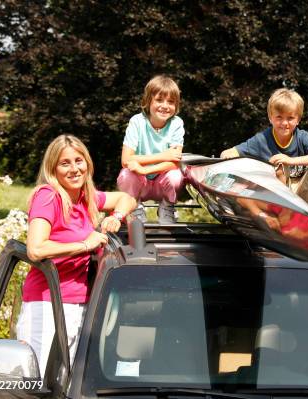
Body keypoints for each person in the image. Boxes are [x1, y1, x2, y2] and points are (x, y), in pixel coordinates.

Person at [19, 134, 136, 377]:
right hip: (47, 303)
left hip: (80, 304)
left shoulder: (86, 198)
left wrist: (116, 217)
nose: (74, 169)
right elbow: (36, 249)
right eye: (65, 163)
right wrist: (85, 244)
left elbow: (127, 198)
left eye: (79, 160)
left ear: (88, 163)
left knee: (68, 383)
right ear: (53, 169)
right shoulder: (48, 196)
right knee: (42, 382)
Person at [220, 88, 308, 210]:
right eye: (279, 117)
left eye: (290, 118)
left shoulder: (302, 137)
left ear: (298, 120)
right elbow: (229, 152)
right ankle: (280, 212)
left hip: (301, 193)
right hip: (274, 196)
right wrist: (226, 157)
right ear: (270, 118)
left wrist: (290, 160)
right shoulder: (261, 139)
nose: (284, 123)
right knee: (279, 167)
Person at [117, 75, 185, 224]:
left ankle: (167, 207)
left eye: (171, 102)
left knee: (177, 176)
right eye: (159, 100)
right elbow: (126, 160)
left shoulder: (177, 123)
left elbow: (174, 163)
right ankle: (134, 206)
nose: (165, 106)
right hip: (140, 184)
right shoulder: (137, 121)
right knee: (126, 174)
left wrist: (144, 169)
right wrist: (164, 155)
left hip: (161, 182)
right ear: (148, 101)